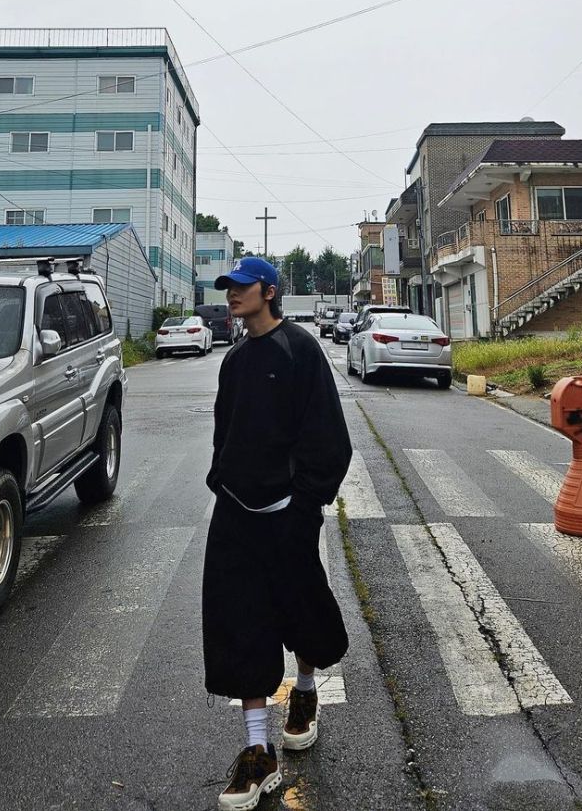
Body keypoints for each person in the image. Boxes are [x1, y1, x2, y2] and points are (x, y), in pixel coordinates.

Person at [202, 256, 352, 810]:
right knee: (239, 619)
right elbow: (225, 431)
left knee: (300, 607)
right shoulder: (235, 359)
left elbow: (330, 438)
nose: (231, 296)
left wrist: (306, 500)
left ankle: (306, 693)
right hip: (236, 510)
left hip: (289, 510)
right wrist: (221, 481)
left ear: (269, 291)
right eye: (228, 289)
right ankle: (257, 750)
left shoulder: (300, 350)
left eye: (240, 287)